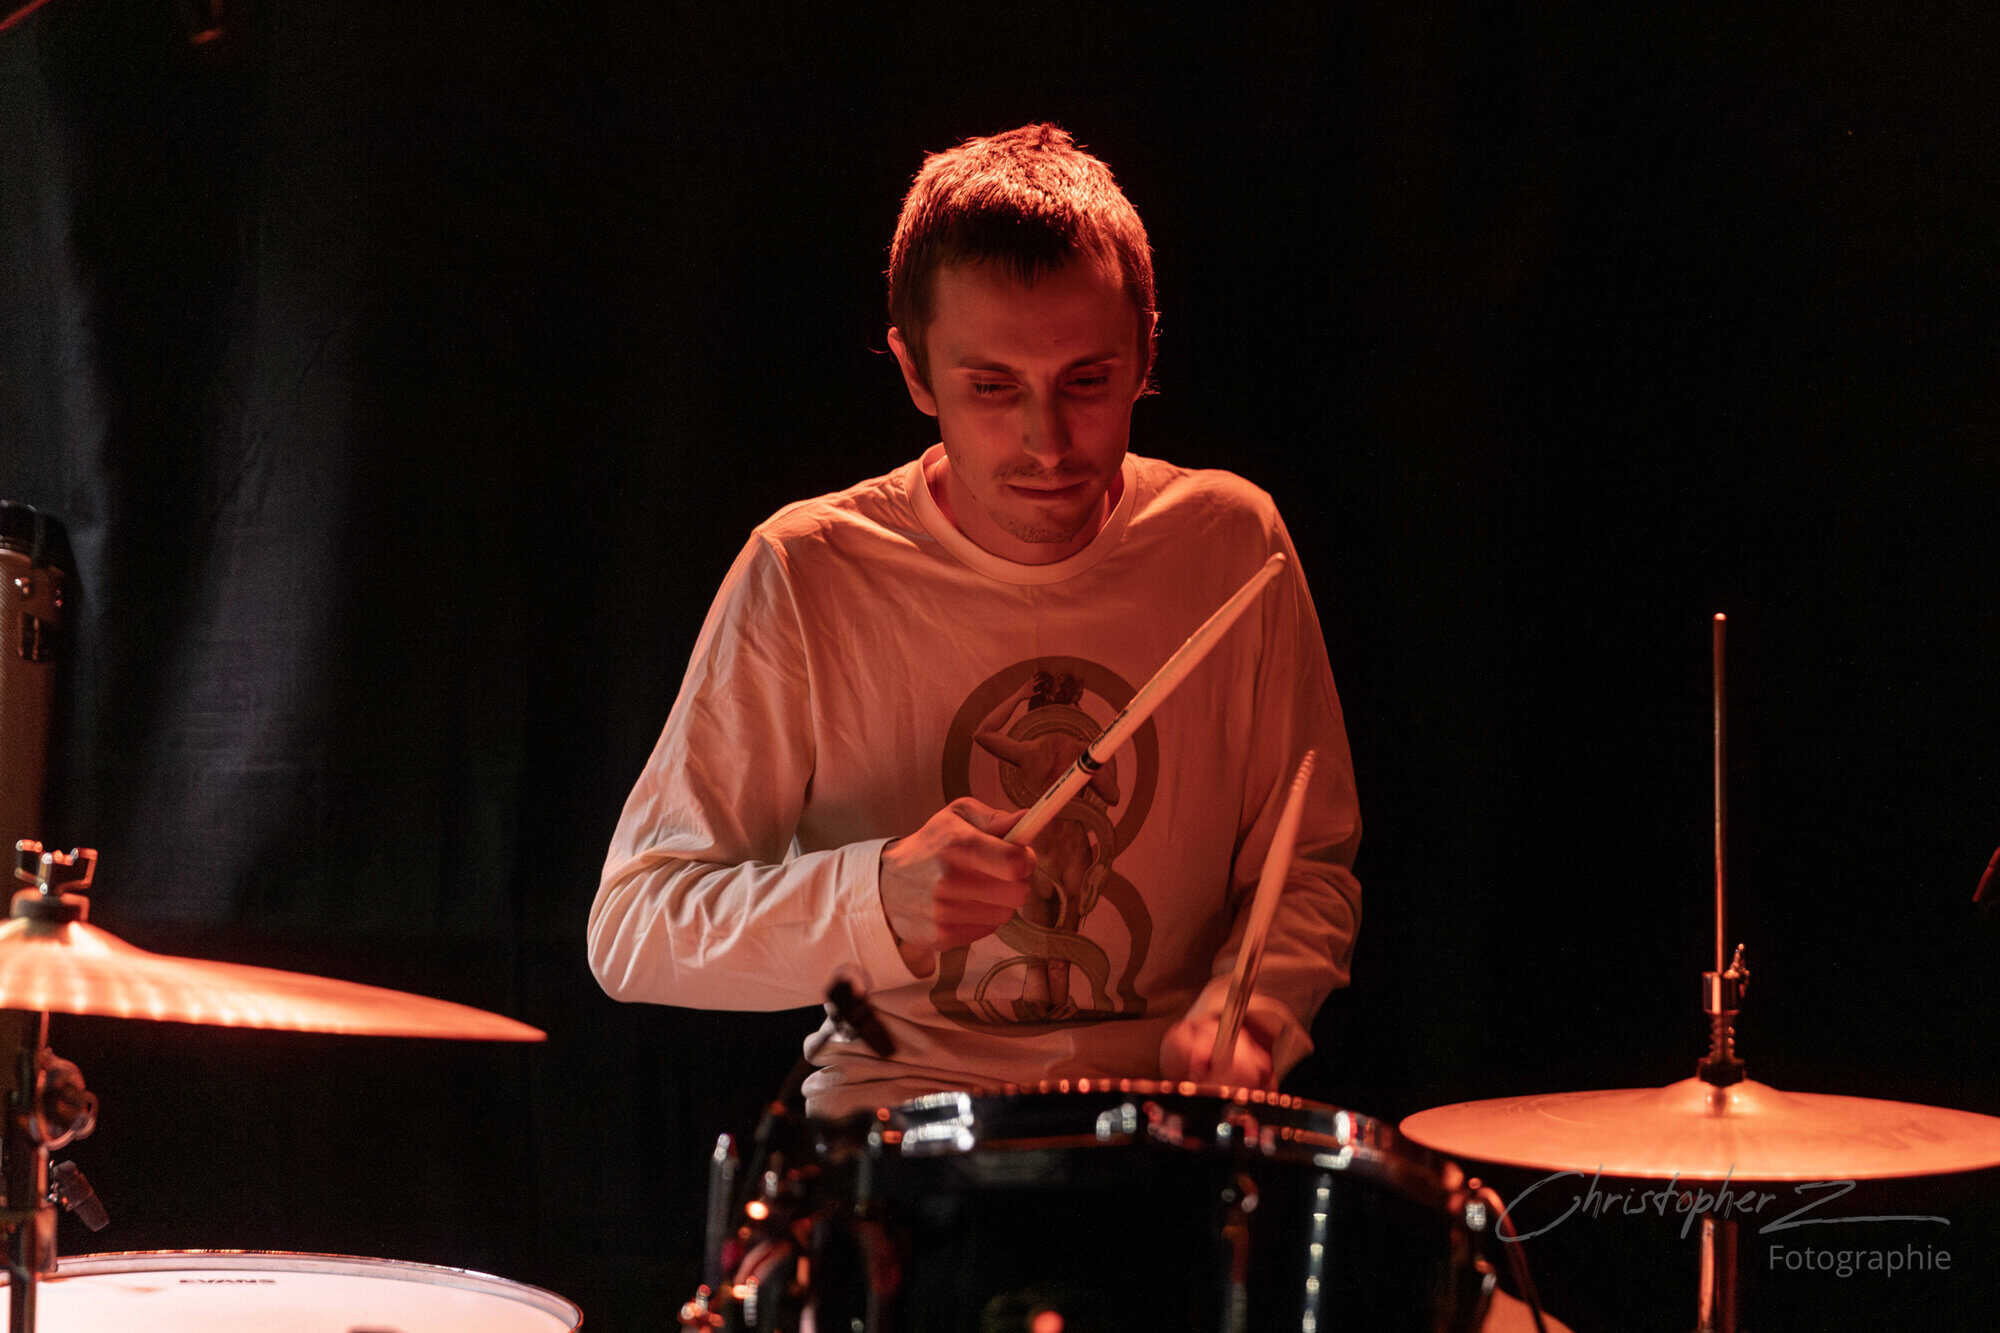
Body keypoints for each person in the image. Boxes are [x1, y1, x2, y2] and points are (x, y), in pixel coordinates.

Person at [588, 123, 1361, 1119]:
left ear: (1146, 353)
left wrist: (1250, 1016)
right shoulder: (807, 570)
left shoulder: (1232, 544)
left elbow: (1307, 864)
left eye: (1086, 380)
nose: (1048, 441)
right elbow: (635, 927)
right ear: (914, 373)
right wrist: (876, 899)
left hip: (1159, 1128)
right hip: (892, 1132)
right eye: (992, 387)